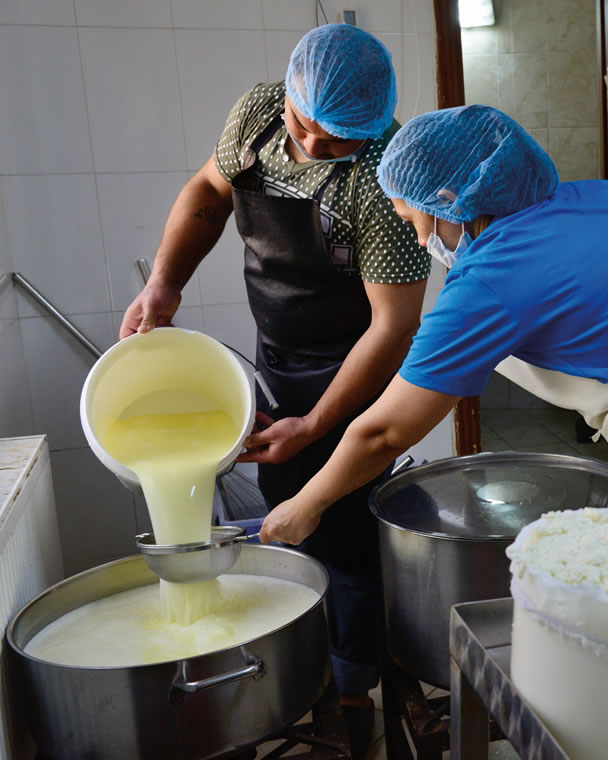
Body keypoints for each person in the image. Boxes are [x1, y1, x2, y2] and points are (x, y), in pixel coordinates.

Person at [258, 104, 608, 542]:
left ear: (445, 202)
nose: (418, 236)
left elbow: (384, 431)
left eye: (411, 218)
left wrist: (305, 506)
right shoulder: (607, 197)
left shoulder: (488, 282)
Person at [118, 24, 428, 751]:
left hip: (355, 374)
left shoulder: (388, 175)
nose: (314, 149)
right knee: (290, 511)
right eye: (304, 126)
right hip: (277, 357)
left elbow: (391, 330)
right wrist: (166, 285)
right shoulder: (259, 113)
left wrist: (318, 423)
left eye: (337, 140)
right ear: (286, 93)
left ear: (375, 126)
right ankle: (298, 669)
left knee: (345, 531)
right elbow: (208, 189)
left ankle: (353, 691)